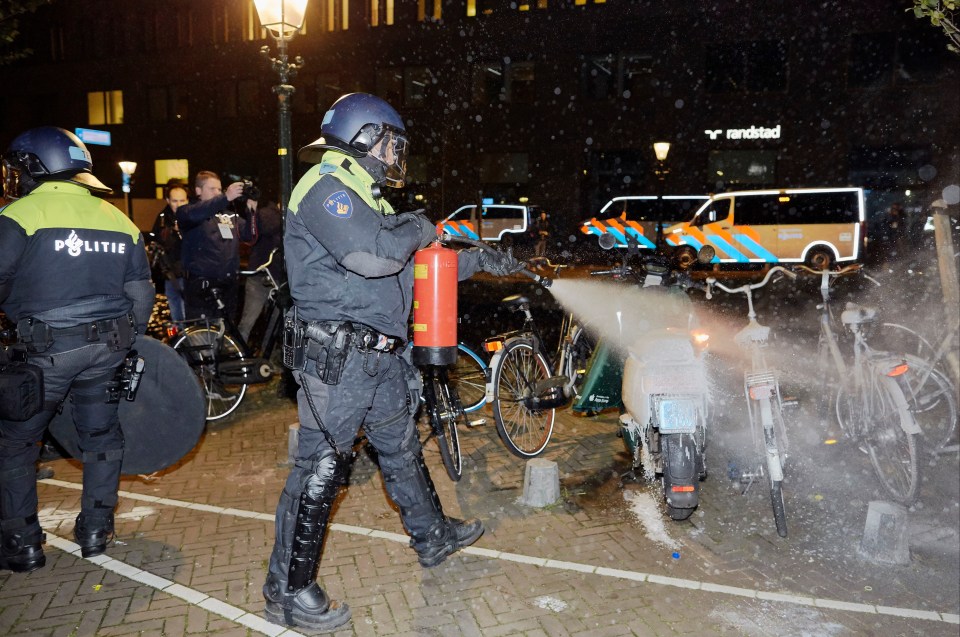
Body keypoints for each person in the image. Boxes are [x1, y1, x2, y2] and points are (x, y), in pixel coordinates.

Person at [263, 92, 522, 632]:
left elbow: (406, 270)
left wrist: (479, 260)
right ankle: (288, 590)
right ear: (364, 137)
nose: (396, 154)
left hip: (378, 359)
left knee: (400, 449)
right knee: (321, 468)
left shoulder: (369, 201)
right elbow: (375, 256)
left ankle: (433, 537)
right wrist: (422, 226)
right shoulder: (325, 188)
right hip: (337, 359)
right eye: (391, 143)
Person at [0, 126, 154, 572]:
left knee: (16, 443)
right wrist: (128, 343)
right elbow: (140, 292)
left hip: (45, 353)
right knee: (101, 437)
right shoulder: (117, 218)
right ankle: (96, 530)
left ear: (33, 166)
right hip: (107, 348)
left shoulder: (19, 215)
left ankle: (22, 544)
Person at [176, 171, 256, 321]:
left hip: (228, 285)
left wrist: (251, 211)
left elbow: (249, 236)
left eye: (219, 189)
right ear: (198, 191)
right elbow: (197, 214)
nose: (217, 192)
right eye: (212, 189)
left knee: (226, 334)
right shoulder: (187, 212)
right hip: (201, 287)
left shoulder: (229, 216)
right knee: (202, 335)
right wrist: (224, 198)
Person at [238, 199, 283, 344]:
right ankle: (241, 355)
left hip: (276, 280)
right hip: (262, 277)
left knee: (273, 324)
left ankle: (262, 359)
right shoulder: (269, 215)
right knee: (249, 322)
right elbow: (260, 227)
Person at [150, 180, 189, 324]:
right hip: (170, 274)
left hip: (190, 274)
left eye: (182, 200)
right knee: (177, 316)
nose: (179, 205)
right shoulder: (162, 219)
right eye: (174, 201)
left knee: (191, 316)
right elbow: (157, 241)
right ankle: (181, 341)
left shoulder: (194, 217)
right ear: (167, 201)